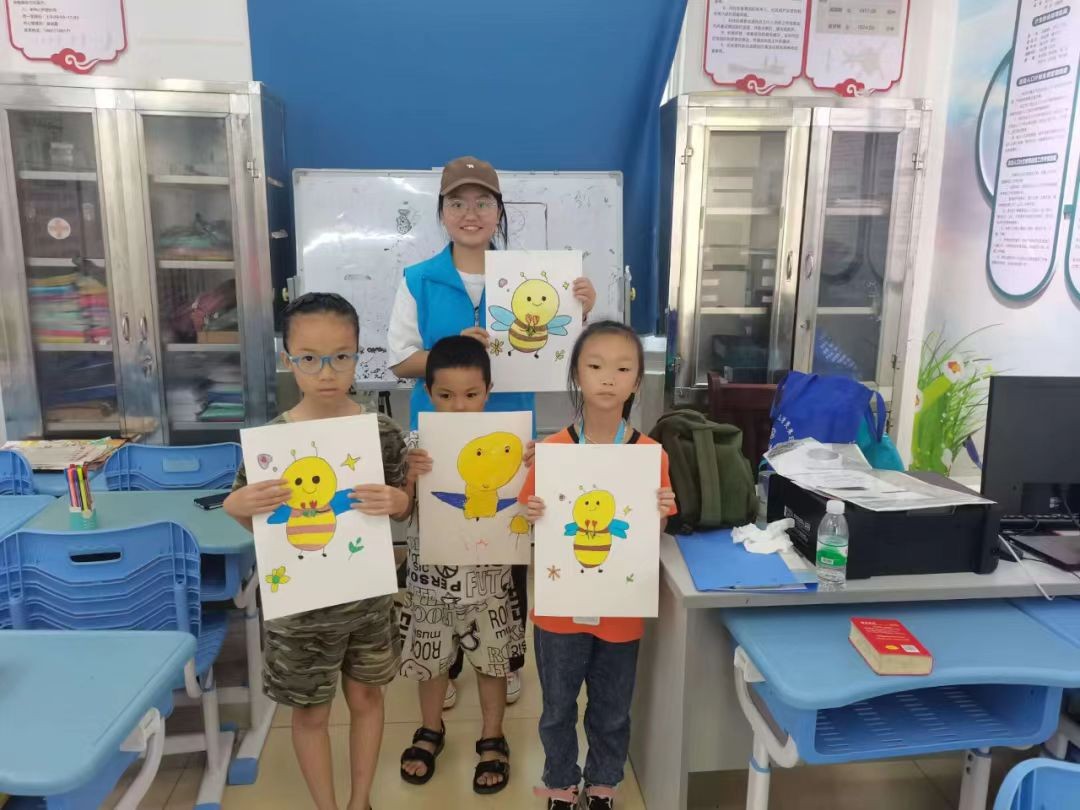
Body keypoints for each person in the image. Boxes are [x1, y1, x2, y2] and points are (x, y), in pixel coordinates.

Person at [387, 155, 598, 707]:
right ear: (442, 212)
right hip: (440, 437)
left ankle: (503, 660)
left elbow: (560, 353)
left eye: (483, 202)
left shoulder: (529, 277)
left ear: (499, 211)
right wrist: (454, 349)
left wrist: (580, 312)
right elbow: (401, 360)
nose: (471, 213)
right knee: (440, 545)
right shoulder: (419, 279)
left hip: (510, 434)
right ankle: (445, 662)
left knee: (506, 545)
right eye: (457, 202)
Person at [224, 292, 411, 810]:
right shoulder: (270, 443)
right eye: (309, 358)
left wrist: (399, 500)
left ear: (358, 355)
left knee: (368, 697)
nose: (326, 372)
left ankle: (359, 800)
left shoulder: (381, 432)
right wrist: (236, 505)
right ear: (288, 359)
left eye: (341, 356)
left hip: (367, 604)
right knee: (309, 713)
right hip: (300, 614)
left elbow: (402, 507)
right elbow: (251, 518)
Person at [518, 321, 677, 810]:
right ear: (576, 375)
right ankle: (560, 782)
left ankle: (604, 783)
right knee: (557, 707)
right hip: (559, 609)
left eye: (623, 368)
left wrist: (659, 512)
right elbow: (526, 520)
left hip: (620, 608)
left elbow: (653, 532)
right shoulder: (551, 451)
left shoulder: (651, 455)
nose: (608, 377)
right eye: (595, 365)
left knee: (611, 708)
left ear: (637, 382)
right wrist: (531, 511)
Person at [397, 335, 523, 794]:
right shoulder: (413, 446)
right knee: (429, 662)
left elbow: (525, 505)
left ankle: (492, 736)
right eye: (446, 395)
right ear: (428, 393)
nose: (459, 406)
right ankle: (431, 729)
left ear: (488, 392)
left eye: (471, 394)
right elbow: (399, 513)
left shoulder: (511, 445)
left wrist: (532, 471)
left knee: (493, 663)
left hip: (489, 582)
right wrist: (409, 479)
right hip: (429, 582)